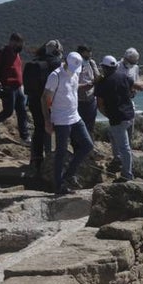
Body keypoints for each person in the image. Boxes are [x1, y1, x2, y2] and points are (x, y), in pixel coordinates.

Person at [43, 52, 94, 194]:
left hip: (75, 116)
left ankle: (68, 175)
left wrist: (87, 85)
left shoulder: (75, 73)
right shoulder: (55, 76)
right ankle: (59, 186)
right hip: (60, 119)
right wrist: (48, 120)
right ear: (65, 61)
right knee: (61, 152)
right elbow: (45, 98)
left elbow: (73, 88)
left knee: (87, 145)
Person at [22, 40, 64, 177]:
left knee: (38, 128)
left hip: (33, 100)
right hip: (48, 101)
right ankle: (50, 158)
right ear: (57, 50)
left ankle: (36, 159)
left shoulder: (36, 61)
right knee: (51, 128)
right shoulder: (56, 63)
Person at [94, 55, 136, 181]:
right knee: (125, 145)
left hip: (117, 118)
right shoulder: (124, 77)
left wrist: (108, 114)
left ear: (104, 67)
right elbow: (132, 90)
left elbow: (100, 104)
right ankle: (125, 168)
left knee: (124, 147)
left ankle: (127, 175)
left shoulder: (102, 83)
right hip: (129, 114)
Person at [0, 33, 29, 142]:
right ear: (12, 42)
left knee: (22, 112)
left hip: (19, 88)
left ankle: (25, 137)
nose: (21, 46)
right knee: (8, 111)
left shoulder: (16, 54)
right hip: (8, 87)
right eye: (19, 44)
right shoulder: (3, 52)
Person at [76, 44, 101, 127]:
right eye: (87, 54)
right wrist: (83, 86)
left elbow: (97, 77)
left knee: (90, 125)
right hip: (78, 100)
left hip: (91, 99)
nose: (89, 55)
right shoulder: (74, 65)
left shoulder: (91, 63)